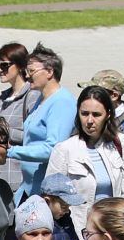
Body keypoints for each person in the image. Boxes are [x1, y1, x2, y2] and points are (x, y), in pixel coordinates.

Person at [43, 88, 124, 230]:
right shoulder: (64, 149)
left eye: (96, 115)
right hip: (79, 233)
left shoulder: (119, 142)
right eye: (84, 114)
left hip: (113, 232)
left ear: (108, 114)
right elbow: (52, 199)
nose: (89, 120)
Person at [10, 45, 76, 197]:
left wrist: (11, 151)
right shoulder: (42, 99)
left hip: (45, 191)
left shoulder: (61, 102)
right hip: (29, 187)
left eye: (31, 71)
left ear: (50, 72)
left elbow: (53, 148)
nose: (27, 76)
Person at [0, 41, 39, 189]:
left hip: (18, 178)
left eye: (4, 65)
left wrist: (2, 131)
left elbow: (35, 137)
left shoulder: (32, 96)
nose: (0, 70)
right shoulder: (3, 97)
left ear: (20, 66)